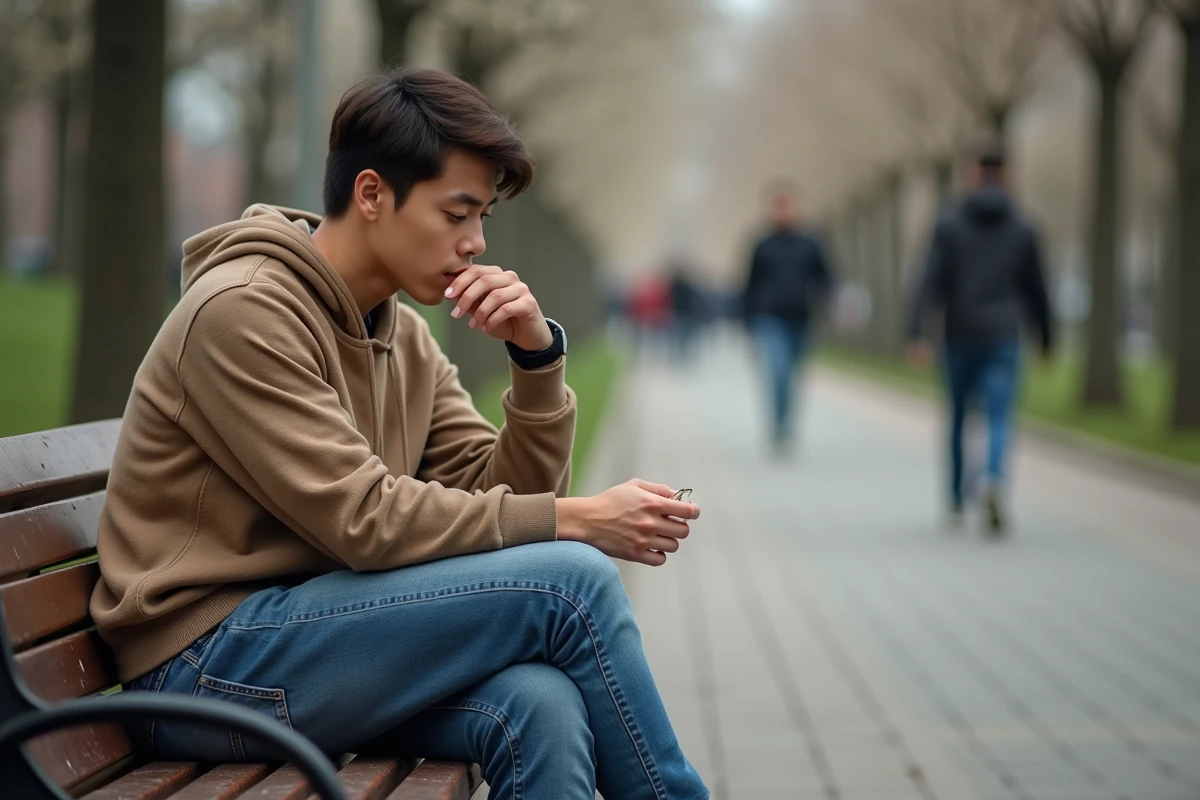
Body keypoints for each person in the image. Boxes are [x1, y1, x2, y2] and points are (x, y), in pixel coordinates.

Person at [92, 67, 709, 800]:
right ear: (373, 194)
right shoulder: (243, 313)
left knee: (540, 706)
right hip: (204, 666)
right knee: (574, 585)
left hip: (315, 639)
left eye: (483, 218)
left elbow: (506, 499)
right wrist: (578, 523)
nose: (477, 242)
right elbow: (365, 519)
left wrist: (536, 359)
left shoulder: (402, 334)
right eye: (458, 214)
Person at [907, 140, 1054, 534]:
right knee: (999, 415)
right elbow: (1037, 288)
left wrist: (917, 332)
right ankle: (993, 477)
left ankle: (956, 499)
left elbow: (929, 280)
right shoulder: (1024, 227)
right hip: (1006, 333)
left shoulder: (949, 223)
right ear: (1007, 176)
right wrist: (1046, 338)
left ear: (972, 174)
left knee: (957, 417)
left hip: (960, 332)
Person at [741, 181, 835, 452]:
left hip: (802, 318)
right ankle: (778, 427)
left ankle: (787, 423)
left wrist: (827, 301)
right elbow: (750, 284)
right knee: (778, 372)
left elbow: (826, 276)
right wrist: (748, 322)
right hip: (769, 318)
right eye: (777, 205)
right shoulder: (762, 244)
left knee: (793, 375)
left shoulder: (811, 242)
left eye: (787, 205)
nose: (783, 211)